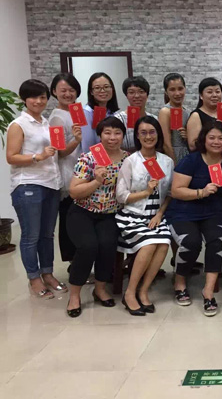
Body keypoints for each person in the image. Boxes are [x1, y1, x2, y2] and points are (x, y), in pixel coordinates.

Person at [6, 79, 65, 299]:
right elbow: (11, 157)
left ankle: (48, 273)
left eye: (42, 97)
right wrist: (37, 157)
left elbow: (57, 152)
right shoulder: (18, 124)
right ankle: (34, 278)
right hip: (28, 184)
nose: (38, 101)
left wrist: (75, 140)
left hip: (51, 183)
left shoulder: (46, 123)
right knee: (31, 236)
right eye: (33, 97)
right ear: (24, 99)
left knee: (47, 235)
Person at [167, 121, 222, 316]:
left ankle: (208, 292)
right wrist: (200, 192)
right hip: (184, 211)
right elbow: (176, 191)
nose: (216, 142)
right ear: (203, 140)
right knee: (191, 242)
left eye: (220, 138)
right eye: (211, 138)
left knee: (216, 242)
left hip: (214, 212)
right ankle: (180, 282)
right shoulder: (191, 160)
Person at [66, 117, 128, 317]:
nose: (112, 137)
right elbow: (74, 192)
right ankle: (74, 295)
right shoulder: (89, 158)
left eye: (117, 133)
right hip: (82, 212)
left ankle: (100, 289)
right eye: (107, 133)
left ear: (123, 136)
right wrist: (96, 181)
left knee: (108, 245)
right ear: (100, 135)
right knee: (88, 247)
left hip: (109, 214)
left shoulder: (127, 159)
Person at [115, 116, 172, 316]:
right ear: (137, 136)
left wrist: (160, 214)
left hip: (155, 216)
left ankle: (144, 290)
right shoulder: (130, 161)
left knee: (163, 243)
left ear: (158, 134)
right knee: (149, 244)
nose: (148, 137)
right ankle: (130, 292)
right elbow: (121, 196)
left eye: (152, 132)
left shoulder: (166, 161)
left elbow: (169, 193)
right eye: (143, 133)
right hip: (133, 215)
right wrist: (146, 192)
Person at [48, 73, 83, 264]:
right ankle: (72, 262)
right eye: (63, 90)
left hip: (81, 171)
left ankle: (80, 260)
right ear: (54, 92)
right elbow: (59, 152)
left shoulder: (75, 112)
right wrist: (76, 140)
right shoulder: (56, 117)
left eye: (72, 90)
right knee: (69, 220)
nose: (68, 94)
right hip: (68, 174)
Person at [186, 77, 222, 151]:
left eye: (217, 92)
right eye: (209, 92)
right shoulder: (196, 116)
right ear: (201, 96)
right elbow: (192, 146)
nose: (214, 95)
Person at [114, 76, 157, 152]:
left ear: (147, 95)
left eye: (141, 92)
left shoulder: (154, 119)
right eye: (131, 92)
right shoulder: (118, 119)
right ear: (126, 95)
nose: (137, 96)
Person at [80, 72, 120, 154]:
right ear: (91, 91)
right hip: (93, 159)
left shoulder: (113, 113)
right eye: (97, 88)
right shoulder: (85, 113)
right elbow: (87, 146)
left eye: (106, 87)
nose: (103, 91)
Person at [158, 73, 189, 163]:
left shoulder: (187, 112)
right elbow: (166, 144)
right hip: (173, 156)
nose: (177, 93)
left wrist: (188, 136)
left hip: (188, 155)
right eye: (172, 90)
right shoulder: (165, 112)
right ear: (166, 92)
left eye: (180, 89)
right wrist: (174, 165)